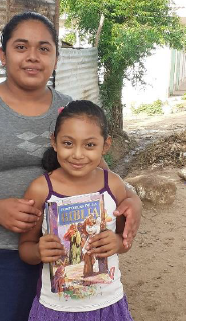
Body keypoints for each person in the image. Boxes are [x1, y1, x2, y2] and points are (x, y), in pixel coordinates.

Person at [0, 11, 142, 321]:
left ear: (56, 58)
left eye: (44, 48)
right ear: (3, 55)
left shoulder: (70, 111)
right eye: (21, 47)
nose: (33, 57)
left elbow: (100, 171)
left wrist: (133, 199)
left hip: (69, 252)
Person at [19, 100, 133, 320]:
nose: (78, 154)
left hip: (107, 304)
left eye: (90, 145)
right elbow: (25, 248)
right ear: (54, 142)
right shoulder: (40, 189)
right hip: (56, 308)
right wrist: (38, 251)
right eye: (68, 143)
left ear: (105, 145)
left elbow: (125, 240)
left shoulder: (114, 186)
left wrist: (117, 243)